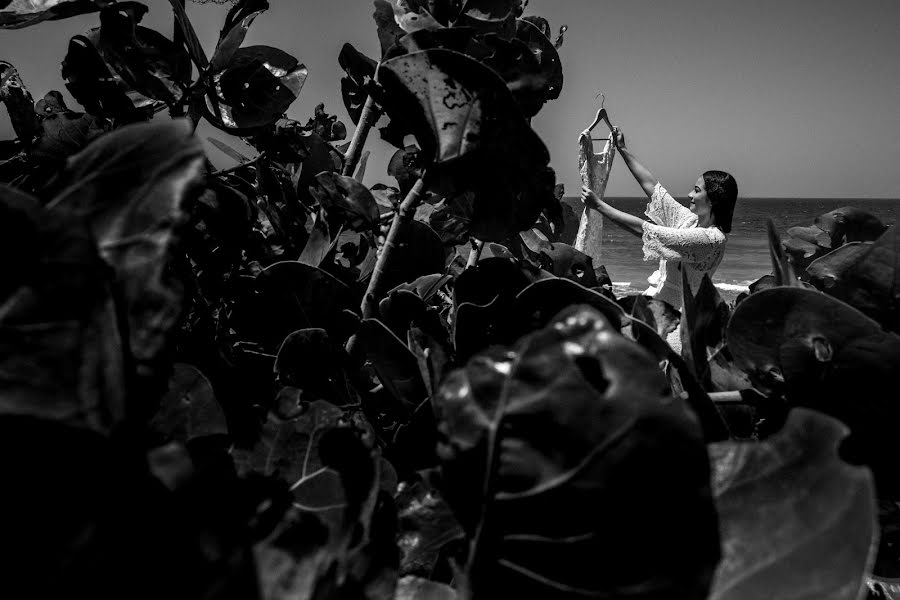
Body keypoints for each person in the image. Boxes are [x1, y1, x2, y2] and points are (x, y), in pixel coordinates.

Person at [580, 127, 738, 351]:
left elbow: (647, 229)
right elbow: (654, 189)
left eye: (696, 190)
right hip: (656, 307)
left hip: (679, 322)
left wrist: (599, 205)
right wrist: (623, 150)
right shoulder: (690, 220)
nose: (690, 195)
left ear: (712, 199)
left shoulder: (711, 239)